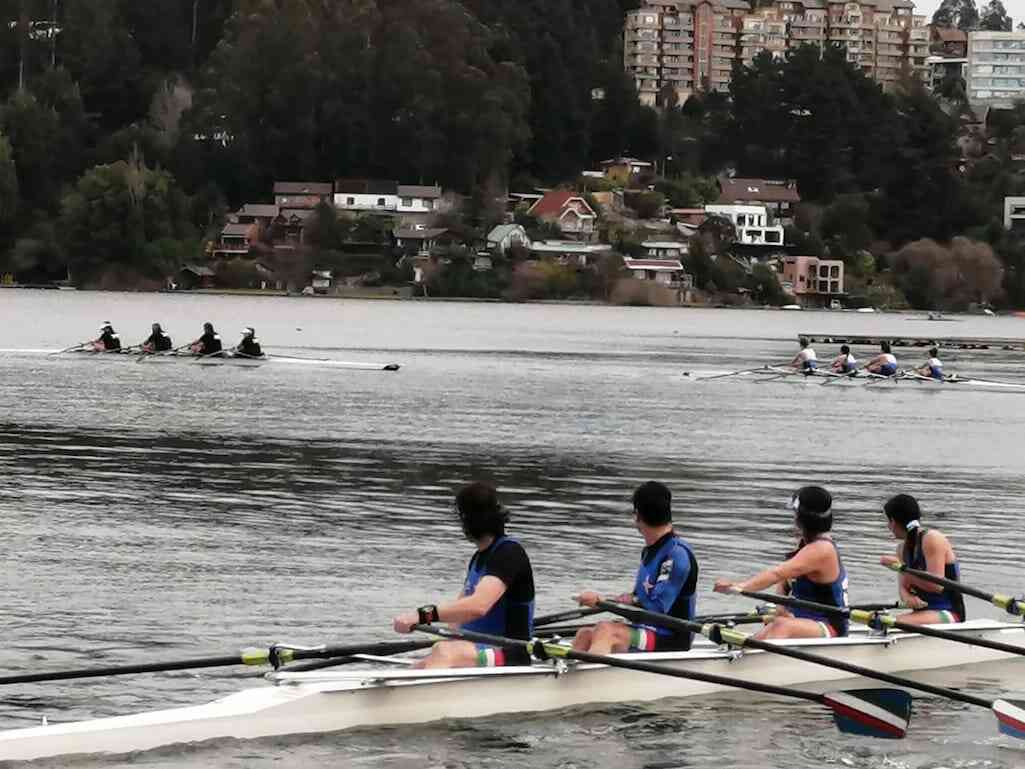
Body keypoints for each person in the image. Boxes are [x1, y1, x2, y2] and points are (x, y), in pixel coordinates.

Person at [393, 482, 535, 669]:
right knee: (432, 655)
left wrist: (421, 615)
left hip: (510, 653)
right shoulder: (479, 558)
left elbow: (478, 606)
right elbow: (459, 615)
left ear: (465, 520)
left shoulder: (508, 553)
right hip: (477, 648)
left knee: (445, 653)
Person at [572, 481, 698, 654]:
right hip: (648, 629)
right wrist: (605, 601)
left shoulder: (676, 555)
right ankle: (571, 678)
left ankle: (592, 680)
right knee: (585, 634)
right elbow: (638, 598)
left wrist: (603, 603)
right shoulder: (650, 551)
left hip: (672, 637)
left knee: (606, 631)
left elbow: (657, 607)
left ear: (637, 515)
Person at [714, 486, 848, 639]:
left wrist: (740, 587)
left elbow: (776, 573)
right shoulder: (805, 544)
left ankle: (745, 658)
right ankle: (744, 653)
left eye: (795, 514)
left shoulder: (821, 549)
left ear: (801, 519)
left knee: (780, 626)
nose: (793, 519)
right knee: (777, 621)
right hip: (804, 619)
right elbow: (784, 579)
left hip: (829, 626)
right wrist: (780, 608)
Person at [880, 493, 965, 625]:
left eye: (889, 521)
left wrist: (902, 568)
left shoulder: (932, 539)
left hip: (949, 612)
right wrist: (908, 598)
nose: (888, 527)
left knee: (889, 624)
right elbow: (903, 587)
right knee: (880, 620)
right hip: (924, 613)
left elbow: (936, 585)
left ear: (894, 521)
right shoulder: (901, 549)